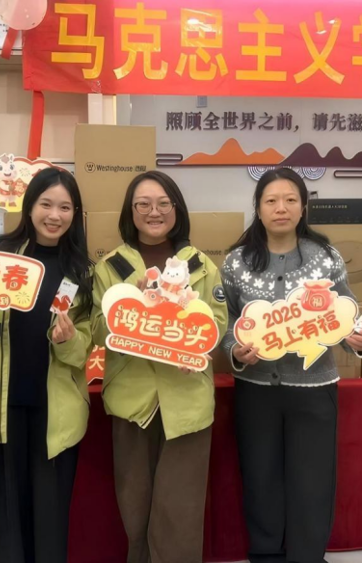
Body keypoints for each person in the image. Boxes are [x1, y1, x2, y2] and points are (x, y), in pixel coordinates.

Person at [220, 168, 362, 563]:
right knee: (260, 478)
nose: (281, 208)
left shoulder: (326, 257)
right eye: (271, 200)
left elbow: (344, 315)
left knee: (313, 481)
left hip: (314, 389)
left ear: (303, 207)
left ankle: (307, 556)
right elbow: (227, 323)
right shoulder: (237, 262)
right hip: (256, 389)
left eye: (290, 199)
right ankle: (266, 555)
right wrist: (235, 350)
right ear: (258, 208)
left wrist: (355, 339)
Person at [0, 167, 93, 563]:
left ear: (75, 214)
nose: (55, 215)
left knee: (51, 519)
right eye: (46, 204)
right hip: (1, 410)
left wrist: (68, 341)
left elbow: (85, 349)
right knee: (9, 518)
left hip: (57, 413)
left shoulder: (81, 270)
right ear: (29, 207)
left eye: (65, 207)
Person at [91, 170, 228, 563]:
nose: (154, 212)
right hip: (132, 402)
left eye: (163, 203)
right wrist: (128, 309)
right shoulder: (111, 267)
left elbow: (217, 323)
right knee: (134, 507)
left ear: (176, 209)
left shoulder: (201, 265)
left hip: (187, 402)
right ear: (130, 212)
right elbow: (97, 330)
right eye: (144, 204)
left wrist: (195, 348)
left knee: (180, 512)